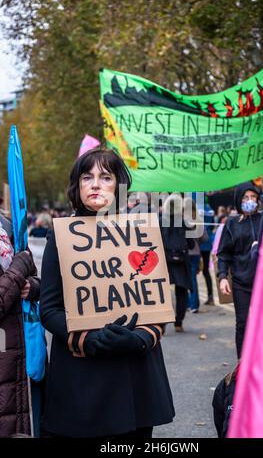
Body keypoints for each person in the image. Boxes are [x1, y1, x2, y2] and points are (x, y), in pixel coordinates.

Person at [39, 148, 175, 438]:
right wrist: (89, 339)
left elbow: (157, 301)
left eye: (105, 176)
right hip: (83, 378)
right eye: (87, 177)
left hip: (134, 375)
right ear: (77, 187)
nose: (96, 184)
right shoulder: (59, 234)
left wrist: (139, 339)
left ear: (119, 186)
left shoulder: (143, 232)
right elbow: (49, 309)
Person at [0, 214, 40, 437]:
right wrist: (18, 271)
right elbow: (20, 266)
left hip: (16, 353)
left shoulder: (7, 223)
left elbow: (31, 273)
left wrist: (32, 287)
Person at [217, 182, 262, 359]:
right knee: (242, 323)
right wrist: (222, 277)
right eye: (245, 197)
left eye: (253, 197)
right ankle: (242, 363)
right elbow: (223, 253)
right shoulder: (232, 224)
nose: (250, 201)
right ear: (238, 200)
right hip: (240, 282)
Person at [160, 194, 193, 332]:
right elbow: (191, 244)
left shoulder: (160, 221)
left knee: (163, 294)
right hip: (181, 260)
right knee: (182, 292)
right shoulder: (184, 222)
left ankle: (162, 325)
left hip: (165, 261)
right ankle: (178, 323)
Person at [200, 197, 215, 305]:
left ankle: (192, 300)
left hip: (199, 242)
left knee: (193, 270)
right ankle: (210, 296)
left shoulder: (197, 209)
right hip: (208, 242)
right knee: (206, 270)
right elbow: (213, 224)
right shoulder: (210, 210)